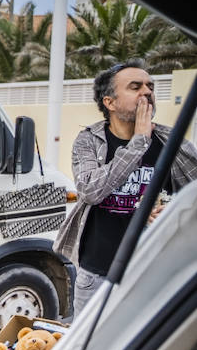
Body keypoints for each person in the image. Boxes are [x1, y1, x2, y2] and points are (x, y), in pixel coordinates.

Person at [56, 61, 197, 316]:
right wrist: (139, 142)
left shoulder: (171, 142)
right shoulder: (89, 140)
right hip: (96, 277)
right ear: (110, 102)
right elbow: (90, 191)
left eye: (150, 86)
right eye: (135, 87)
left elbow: (193, 196)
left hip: (152, 276)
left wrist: (173, 209)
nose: (147, 92)